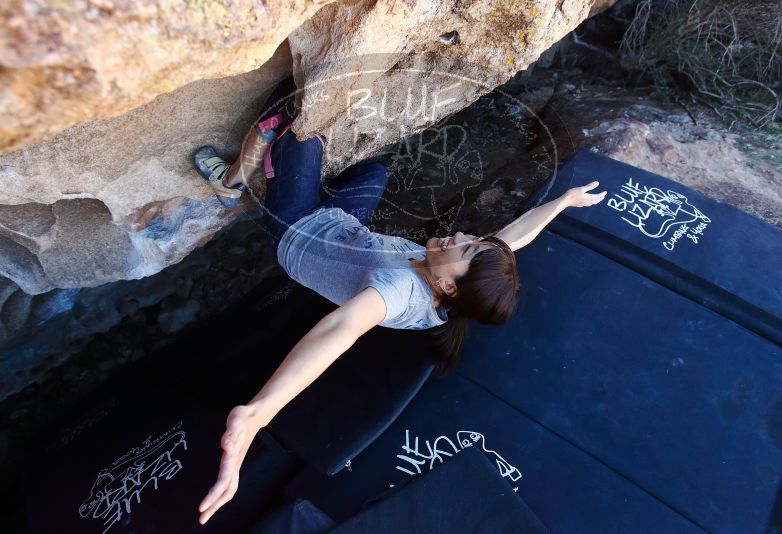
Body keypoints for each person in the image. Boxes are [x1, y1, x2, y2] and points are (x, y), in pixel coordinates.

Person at [192, 77, 607, 525]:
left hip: (297, 230)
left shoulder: (397, 290)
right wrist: (562, 202)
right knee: (375, 174)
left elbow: (338, 332)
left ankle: (232, 178)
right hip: (343, 226)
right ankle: (296, 175)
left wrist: (258, 412)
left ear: (449, 288)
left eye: (465, 248)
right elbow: (511, 239)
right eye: (472, 241)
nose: (463, 235)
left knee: (297, 112)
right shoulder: (448, 282)